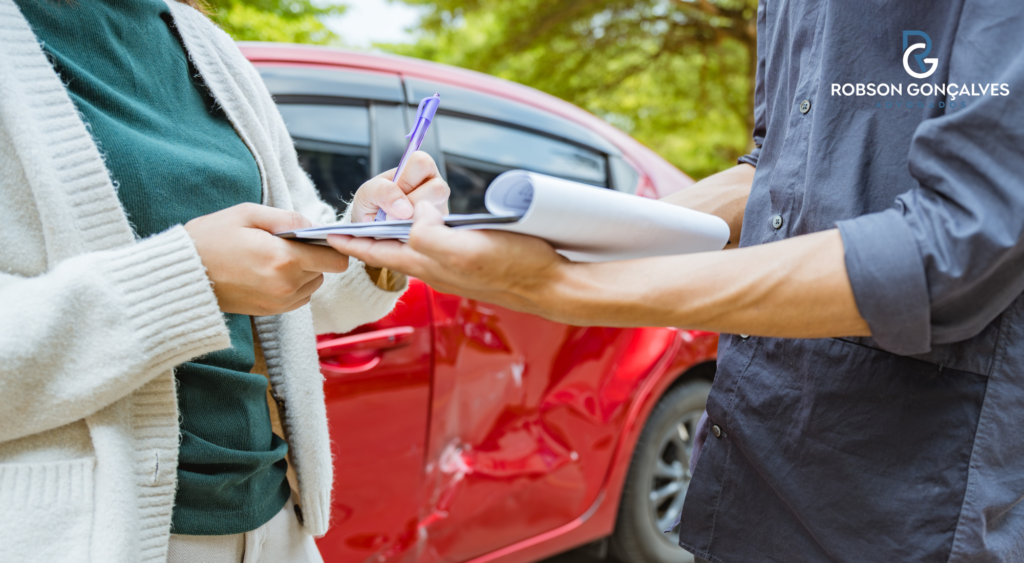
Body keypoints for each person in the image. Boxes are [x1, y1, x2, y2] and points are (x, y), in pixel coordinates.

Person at [329, 1, 1024, 562]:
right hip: (751, 472)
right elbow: (771, 173)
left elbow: (957, 241)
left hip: (905, 511)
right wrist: (571, 230)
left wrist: (564, 289)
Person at [0, 0, 449, 561]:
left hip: (272, 522)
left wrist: (369, 239)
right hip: (77, 539)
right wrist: (187, 280)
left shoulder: (201, 41)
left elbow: (288, 279)